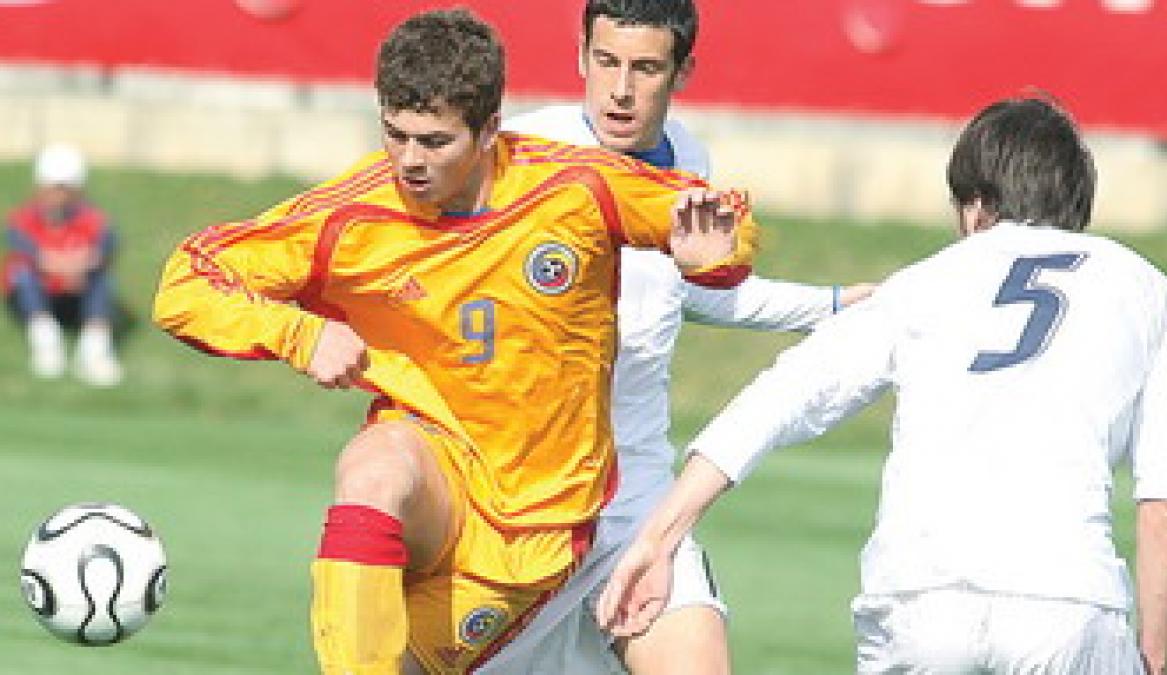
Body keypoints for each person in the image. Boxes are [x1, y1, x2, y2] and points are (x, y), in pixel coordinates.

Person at [151, 8, 758, 675]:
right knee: (375, 464)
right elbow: (187, 281)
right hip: (442, 491)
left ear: (491, 128)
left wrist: (715, 255)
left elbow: (711, 217)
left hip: (549, 518)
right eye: (395, 135)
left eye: (434, 142)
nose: (409, 161)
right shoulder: (353, 215)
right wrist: (298, 331)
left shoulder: (575, 187)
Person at [597, 95, 1167, 675]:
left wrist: (658, 538)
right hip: (1066, 601)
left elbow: (778, 400)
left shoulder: (923, 282)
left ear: (977, 205)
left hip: (917, 598)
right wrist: (1153, 651)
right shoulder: (1148, 290)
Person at [485, 1, 872, 673]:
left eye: (645, 68)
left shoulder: (689, 161)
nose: (621, 89)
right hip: (521, 506)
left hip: (637, 498)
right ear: (580, 55)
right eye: (606, 62)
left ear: (682, 70)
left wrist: (833, 304)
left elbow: (684, 288)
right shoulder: (519, 157)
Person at [4, 143, 123, 386]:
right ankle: (46, 345)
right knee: (23, 275)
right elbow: (34, 257)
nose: (57, 196)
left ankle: (94, 350)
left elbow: (101, 253)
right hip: (40, 293)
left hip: (78, 293)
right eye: (52, 188)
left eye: (63, 188)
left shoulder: (94, 220)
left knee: (102, 280)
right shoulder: (22, 219)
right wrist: (69, 266)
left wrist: (71, 267)